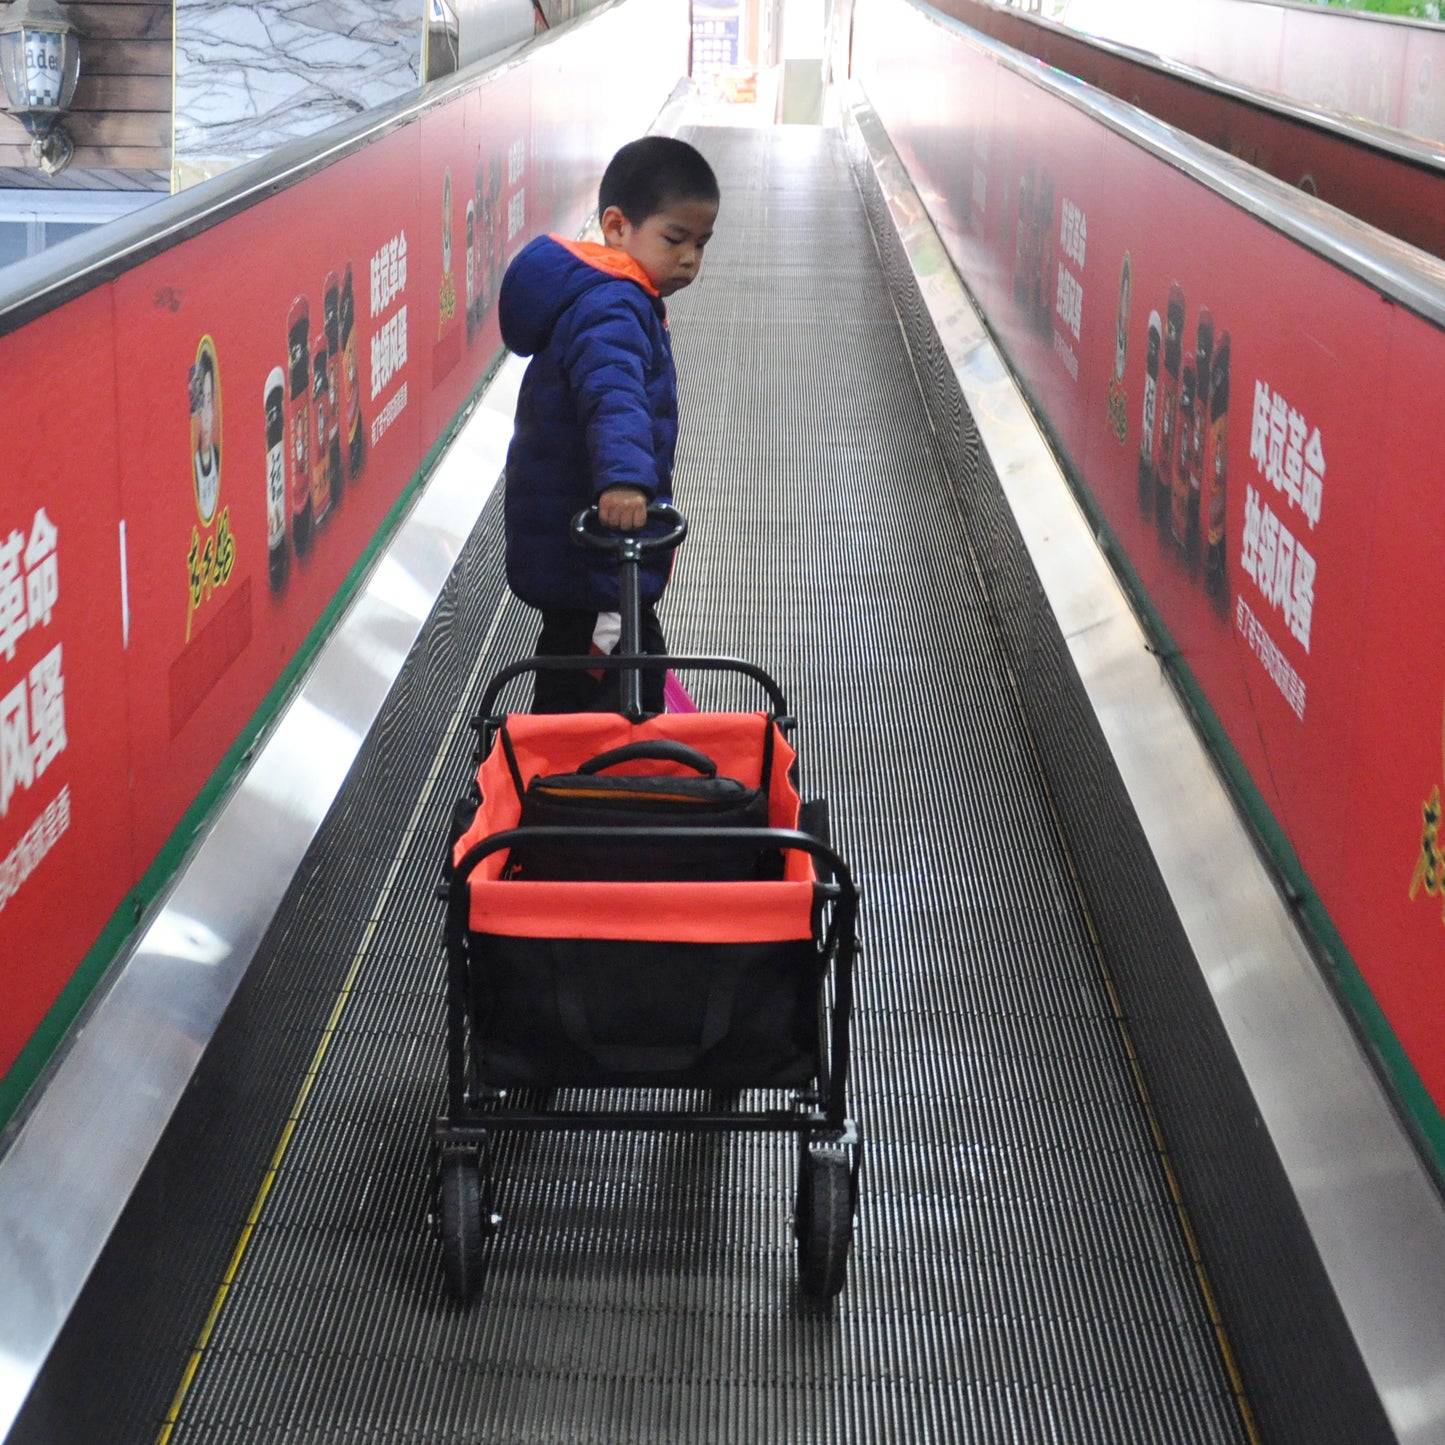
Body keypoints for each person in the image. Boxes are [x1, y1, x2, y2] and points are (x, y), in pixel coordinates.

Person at [498, 134, 719, 713]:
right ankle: (588, 778)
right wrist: (624, 482)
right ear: (617, 227)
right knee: (612, 670)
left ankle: (564, 767)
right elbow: (612, 395)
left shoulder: (613, 296)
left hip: (577, 537)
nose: (690, 257)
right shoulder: (613, 306)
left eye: (701, 243)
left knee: (588, 654)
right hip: (594, 543)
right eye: (675, 239)